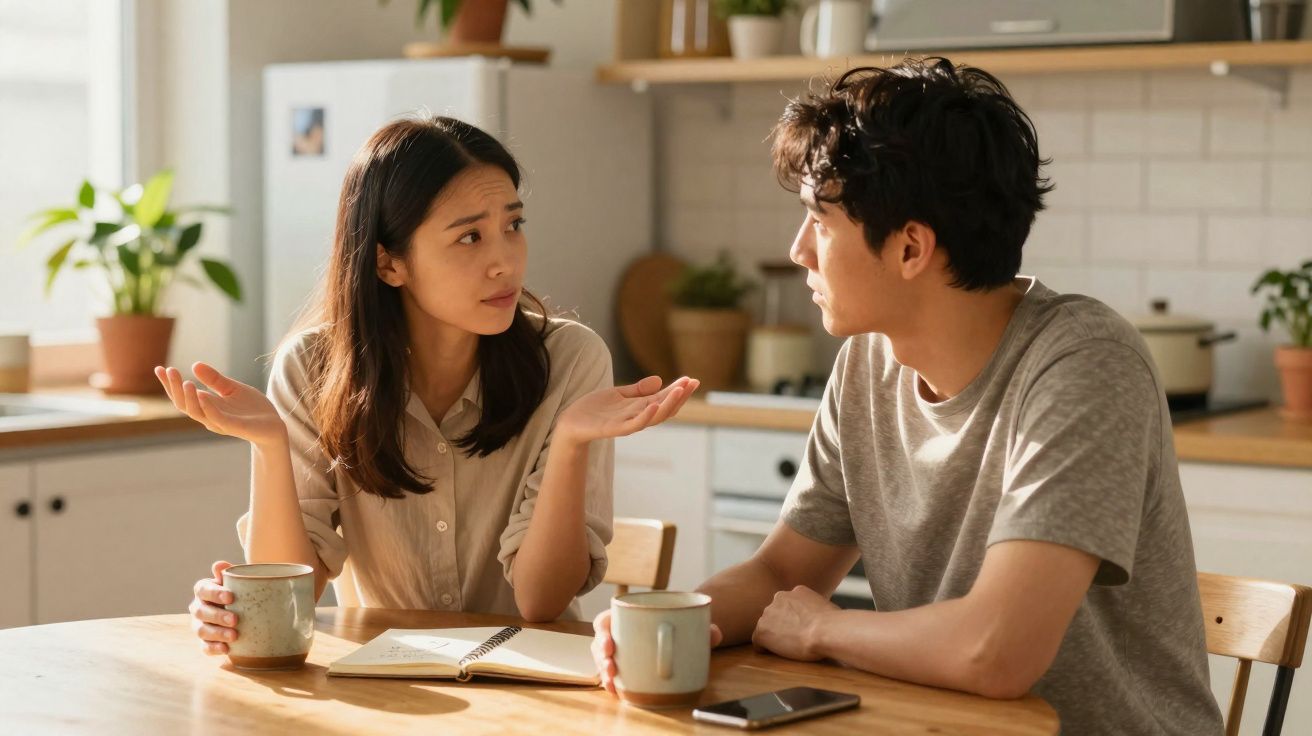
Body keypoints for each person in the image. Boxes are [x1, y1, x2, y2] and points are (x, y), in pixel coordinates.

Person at [593, 58, 1223, 735]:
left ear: (911, 248)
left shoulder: (1084, 366)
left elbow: (997, 652)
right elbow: (781, 569)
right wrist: (670, 620)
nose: (798, 249)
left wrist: (827, 630)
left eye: (819, 221)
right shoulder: (868, 361)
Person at [162, 115, 700, 656]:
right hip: (384, 693)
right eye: (470, 236)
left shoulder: (570, 360)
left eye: (513, 226)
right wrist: (270, 445)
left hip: (532, 697)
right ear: (388, 262)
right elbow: (285, 607)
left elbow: (541, 603)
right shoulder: (312, 368)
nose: (505, 262)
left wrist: (570, 443)